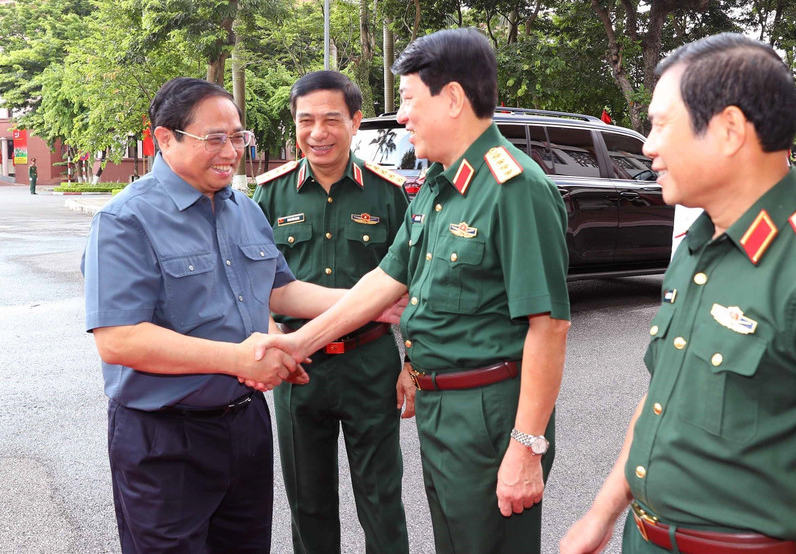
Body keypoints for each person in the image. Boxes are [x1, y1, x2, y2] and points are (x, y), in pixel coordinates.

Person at [560, 33, 796, 554]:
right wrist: (601, 512)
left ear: (727, 130)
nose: (647, 146)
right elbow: (660, 400)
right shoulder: (699, 245)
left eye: (660, 125)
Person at [253, 28, 572, 554]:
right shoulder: (439, 188)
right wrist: (296, 344)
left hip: (489, 415)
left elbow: (550, 325)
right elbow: (383, 281)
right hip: (440, 407)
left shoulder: (515, 189)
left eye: (407, 101)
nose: (401, 118)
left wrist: (526, 446)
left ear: (451, 98)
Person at [81, 77, 388, 554]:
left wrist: (369, 300)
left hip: (244, 426)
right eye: (214, 139)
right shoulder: (126, 221)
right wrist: (238, 360)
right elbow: (119, 339)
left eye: (238, 137)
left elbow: (281, 291)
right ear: (166, 138)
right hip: (165, 437)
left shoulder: (243, 209)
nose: (231, 151)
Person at [252, 70, 412, 554]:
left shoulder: (387, 193)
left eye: (330, 120)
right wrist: (272, 344)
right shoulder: (270, 194)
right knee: (309, 502)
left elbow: (413, 287)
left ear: (355, 121)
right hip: (301, 371)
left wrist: (413, 364)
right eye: (306, 121)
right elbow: (257, 287)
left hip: (371, 367)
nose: (317, 133)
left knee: (382, 500)